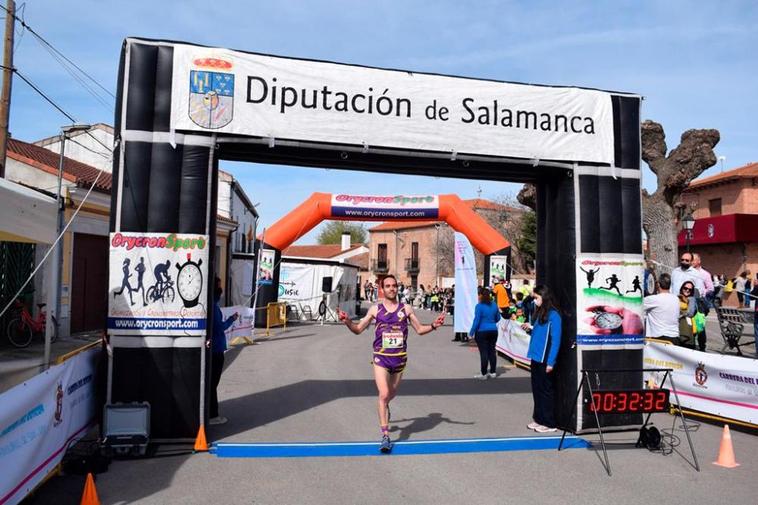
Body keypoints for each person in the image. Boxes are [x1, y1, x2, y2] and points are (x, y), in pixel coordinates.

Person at [338, 274, 445, 453]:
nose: (391, 289)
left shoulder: (407, 308)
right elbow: (357, 330)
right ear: (382, 289)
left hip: (400, 358)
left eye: (394, 286)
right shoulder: (375, 310)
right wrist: (347, 321)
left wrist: (434, 325)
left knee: (390, 395)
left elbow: (419, 330)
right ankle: (385, 436)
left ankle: (385, 405)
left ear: (397, 288)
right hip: (381, 357)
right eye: (387, 286)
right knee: (384, 393)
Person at [521, 285, 562, 433]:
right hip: (535, 356)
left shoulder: (554, 316)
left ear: (544, 297)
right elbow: (539, 335)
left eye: (536, 297)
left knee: (545, 391)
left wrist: (551, 362)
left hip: (545, 359)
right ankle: (539, 419)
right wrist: (530, 329)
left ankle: (549, 423)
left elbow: (555, 340)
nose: (535, 300)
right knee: (537, 389)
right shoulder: (540, 314)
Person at [209, 277, 238, 425]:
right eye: (219, 287)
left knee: (212, 383)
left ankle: (211, 413)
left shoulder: (213, 305)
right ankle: (212, 415)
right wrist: (231, 320)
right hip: (215, 350)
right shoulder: (213, 307)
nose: (221, 290)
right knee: (213, 383)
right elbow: (219, 328)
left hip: (214, 349)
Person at [469, 288, 501, 380]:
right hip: (493, 330)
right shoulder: (494, 305)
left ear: (480, 295)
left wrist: (471, 332)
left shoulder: (479, 306)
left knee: (484, 352)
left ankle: (483, 373)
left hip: (482, 331)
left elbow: (477, 320)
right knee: (492, 351)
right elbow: (498, 318)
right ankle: (493, 372)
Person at [642, 273, 680, 345]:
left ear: (658, 284)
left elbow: (635, 305)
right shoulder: (676, 299)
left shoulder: (653, 299)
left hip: (659, 339)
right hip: (675, 338)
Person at [677, 281, 697, 349]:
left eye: (690, 289)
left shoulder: (691, 299)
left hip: (687, 328)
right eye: (685, 288)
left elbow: (690, 313)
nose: (687, 290)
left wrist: (681, 314)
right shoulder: (677, 297)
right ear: (682, 288)